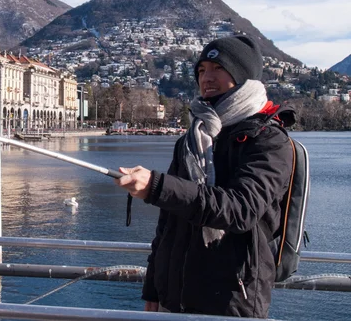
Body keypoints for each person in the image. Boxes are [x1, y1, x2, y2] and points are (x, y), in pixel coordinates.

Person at [116, 35, 294, 318]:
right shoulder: (192, 138)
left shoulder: (269, 140)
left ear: (242, 75)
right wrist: (152, 286)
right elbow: (168, 223)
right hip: (171, 300)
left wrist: (157, 186)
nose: (206, 77)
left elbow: (241, 210)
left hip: (231, 301)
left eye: (217, 68)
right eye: (201, 70)